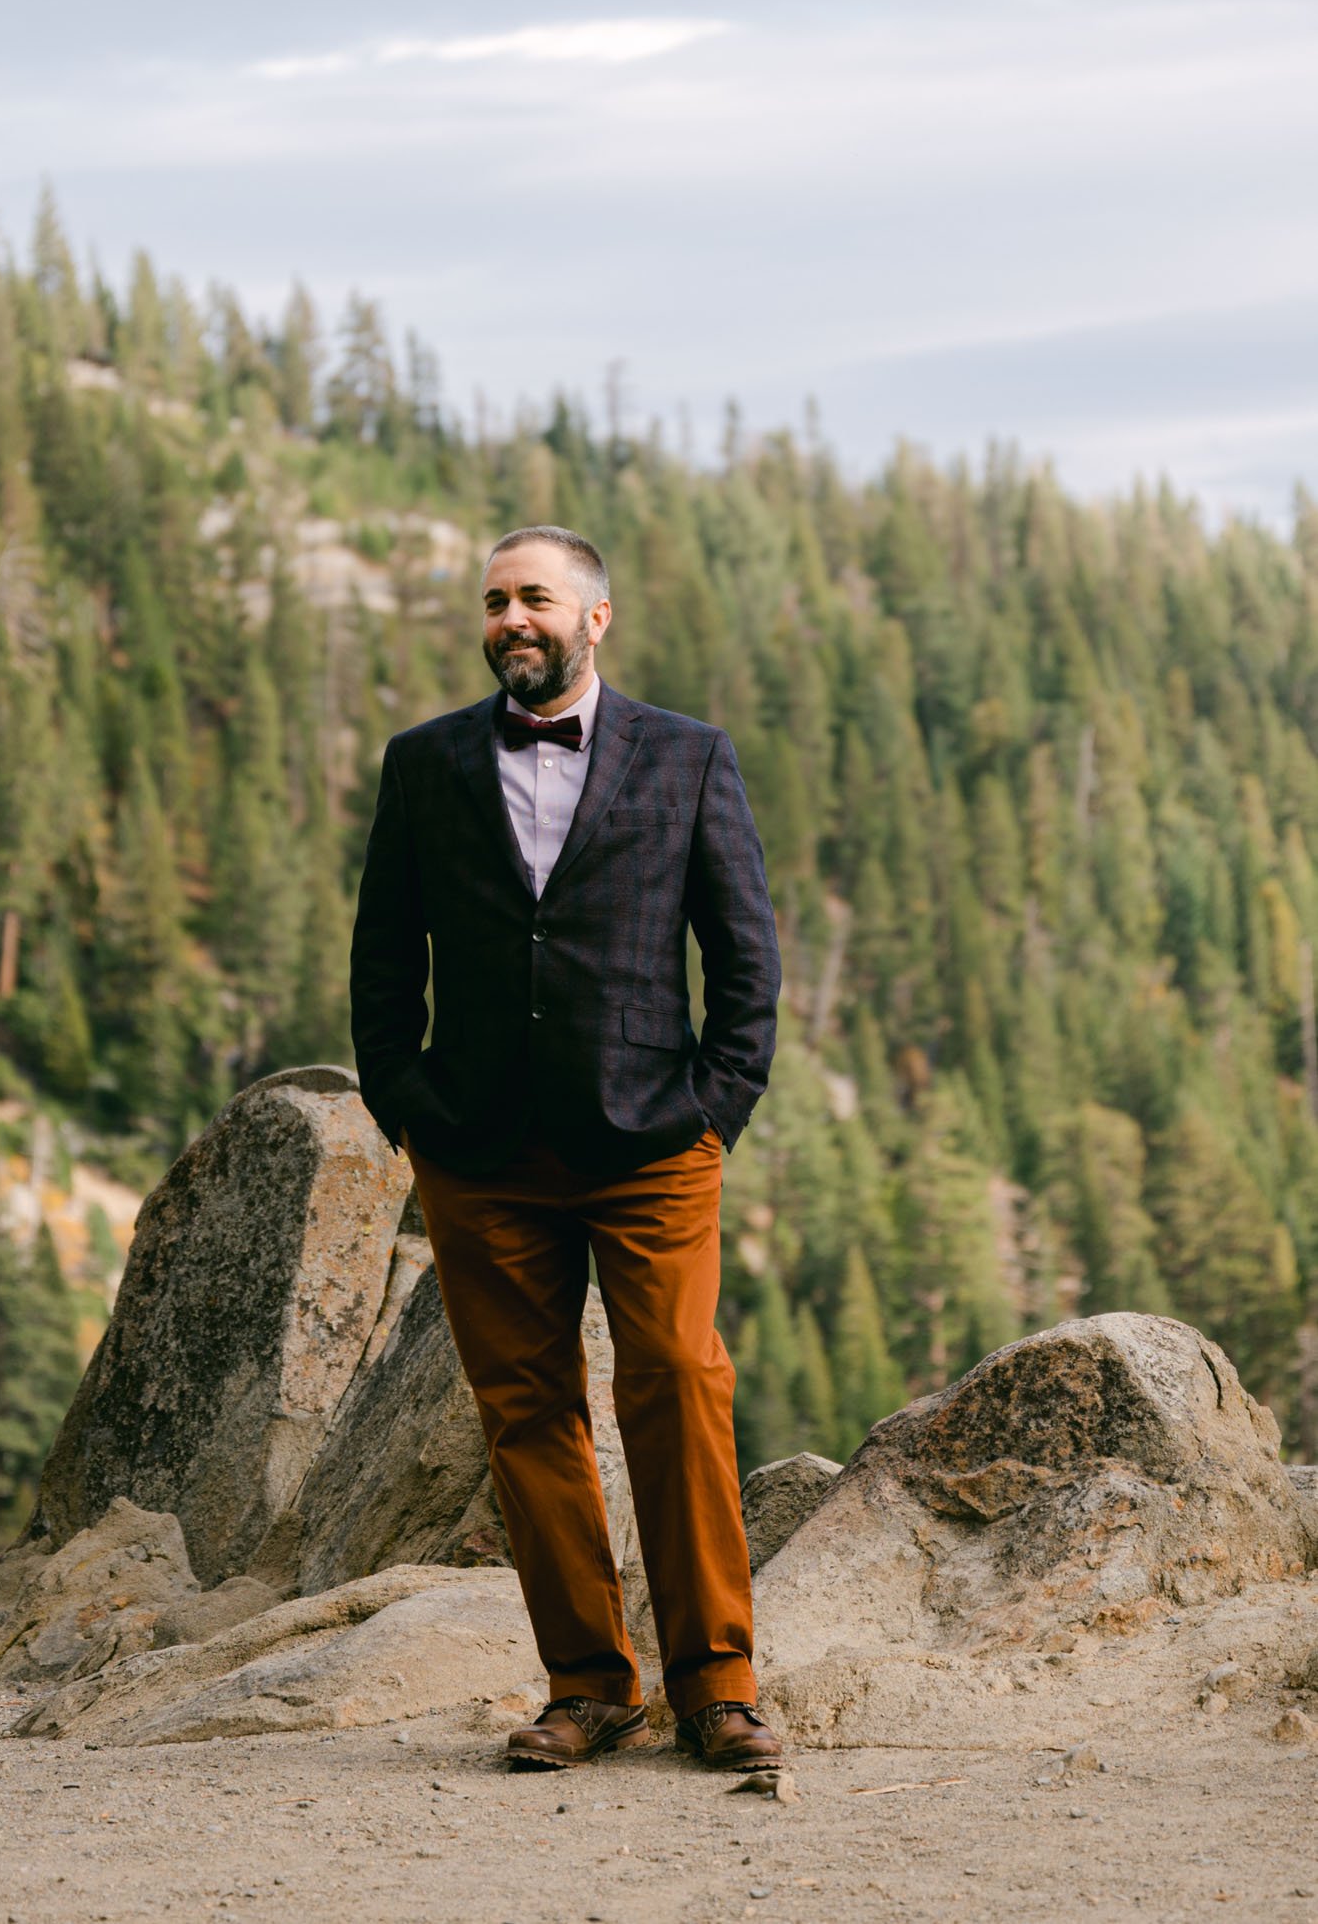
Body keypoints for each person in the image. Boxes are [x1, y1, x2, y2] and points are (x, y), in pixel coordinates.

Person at [350, 524, 782, 1770]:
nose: (509, 619)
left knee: (678, 1391)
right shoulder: (424, 762)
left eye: (533, 597)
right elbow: (386, 955)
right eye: (494, 601)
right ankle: (588, 1685)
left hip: (651, 1142)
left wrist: (716, 1110)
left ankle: (720, 1686)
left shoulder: (690, 756)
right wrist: (407, 1104)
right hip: (479, 1154)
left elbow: (744, 956)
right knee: (526, 1412)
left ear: (595, 617)